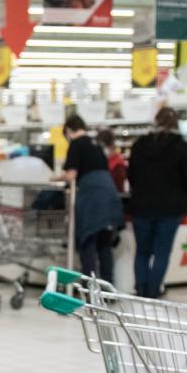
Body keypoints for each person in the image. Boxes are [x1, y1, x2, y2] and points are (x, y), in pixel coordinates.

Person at [127, 107, 187, 299]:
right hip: (170, 207)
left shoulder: (139, 145)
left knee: (142, 251)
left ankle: (140, 289)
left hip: (141, 206)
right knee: (161, 252)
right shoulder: (182, 148)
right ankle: (153, 290)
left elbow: (131, 176)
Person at [54, 114, 123, 282]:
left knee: (87, 243)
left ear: (69, 130)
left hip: (92, 198)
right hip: (110, 197)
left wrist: (53, 178)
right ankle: (108, 291)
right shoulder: (96, 145)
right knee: (104, 245)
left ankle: (90, 291)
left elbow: (71, 175)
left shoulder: (76, 144)